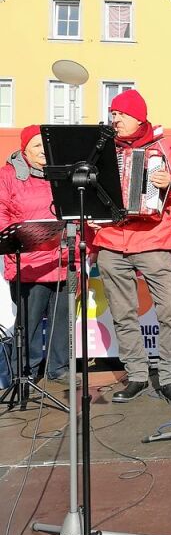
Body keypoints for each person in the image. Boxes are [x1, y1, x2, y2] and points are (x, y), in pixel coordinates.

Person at [94, 90, 171, 405]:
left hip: (152, 239)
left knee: (170, 310)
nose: (115, 120)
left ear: (138, 116)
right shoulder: (102, 149)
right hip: (111, 240)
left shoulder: (165, 148)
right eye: (113, 114)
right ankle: (136, 375)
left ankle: (170, 378)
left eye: (120, 114)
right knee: (123, 314)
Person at [0, 126, 69, 385]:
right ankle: (24, 371)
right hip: (29, 263)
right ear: (24, 148)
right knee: (27, 323)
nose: (43, 151)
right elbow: (1, 212)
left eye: (46, 146)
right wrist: (21, 239)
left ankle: (58, 367)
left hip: (63, 260)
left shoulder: (61, 174)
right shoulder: (8, 175)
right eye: (37, 145)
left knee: (62, 318)